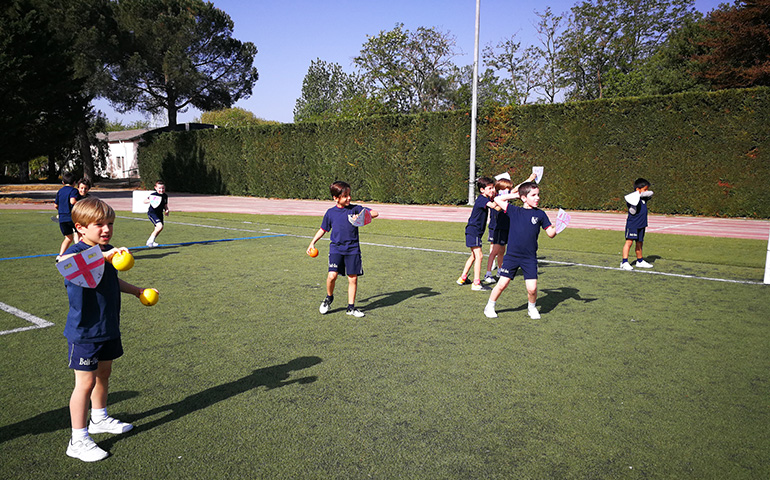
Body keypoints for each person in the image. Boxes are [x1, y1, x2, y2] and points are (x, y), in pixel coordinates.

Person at [61, 197, 152, 462]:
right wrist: (103, 255)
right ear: (80, 227)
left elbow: (111, 277)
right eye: (99, 224)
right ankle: (77, 440)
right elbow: (66, 265)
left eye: (110, 223)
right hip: (85, 332)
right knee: (85, 382)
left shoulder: (108, 250)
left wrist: (136, 291)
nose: (106, 229)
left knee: (104, 373)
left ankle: (98, 418)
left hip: (107, 326)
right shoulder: (75, 254)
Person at [483, 181, 560, 319]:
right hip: (512, 256)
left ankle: (532, 308)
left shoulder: (540, 215)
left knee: (532, 288)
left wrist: (558, 227)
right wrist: (516, 195)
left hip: (529, 258)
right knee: (502, 284)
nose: (537, 198)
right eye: (533, 195)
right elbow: (497, 199)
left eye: (538, 195)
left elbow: (551, 234)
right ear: (524, 198)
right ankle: (490, 306)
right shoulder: (514, 210)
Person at [308, 181, 379, 318]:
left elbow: (375, 213)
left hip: (352, 249)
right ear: (336, 198)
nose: (349, 198)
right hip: (336, 249)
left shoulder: (355, 209)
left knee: (352, 278)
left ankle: (351, 308)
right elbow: (323, 229)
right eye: (345, 196)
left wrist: (361, 217)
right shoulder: (330, 213)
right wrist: (312, 243)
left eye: (349, 195)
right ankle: (329, 298)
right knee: (332, 276)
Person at [457, 176, 500, 291]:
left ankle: (462, 278)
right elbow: (494, 207)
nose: (492, 190)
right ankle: (476, 283)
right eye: (490, 188)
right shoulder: (482, 199)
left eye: (493, 188)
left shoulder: (485, 198)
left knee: (474, 256)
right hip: (473, 231)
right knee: (479, 256)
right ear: (482, 190)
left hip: (474, 231)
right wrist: (503, 202)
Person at [621, 178, 654, 270]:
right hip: (633, 225)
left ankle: (640, 261)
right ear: (638, 189)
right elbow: (632, 211)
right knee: (629, 242)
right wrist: (635, 199)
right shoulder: (632, 199)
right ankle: (624, 262)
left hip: (642, 224)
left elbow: (651, 193)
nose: (646, 191)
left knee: (639, 243)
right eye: (644, 189)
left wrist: (642, 193)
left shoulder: (644, 198)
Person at [55, 172, 79, 260]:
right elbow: (72, 201)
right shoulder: (73, 190)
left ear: (63, 182)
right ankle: (79, 253)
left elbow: (56, 205)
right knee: (80, 234)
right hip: (72, 217)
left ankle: (60, 256)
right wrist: (81, 205)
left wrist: (61, 211)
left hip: (62, 218)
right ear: (74, 183)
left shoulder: (60, 191)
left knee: (68, 238)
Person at [144, 180, 169, 247]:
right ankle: (150, 241)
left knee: (159, 228)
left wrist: (166, 210)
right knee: (159, 226)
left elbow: (165, 205)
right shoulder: (153, 195)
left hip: (160, 214)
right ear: (155, 188)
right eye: (159, 188)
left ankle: (152, 241)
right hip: (152, 213)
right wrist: (150, 200)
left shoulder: (165, 196)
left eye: (163, 188)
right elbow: (145, 201)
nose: (161, 190)